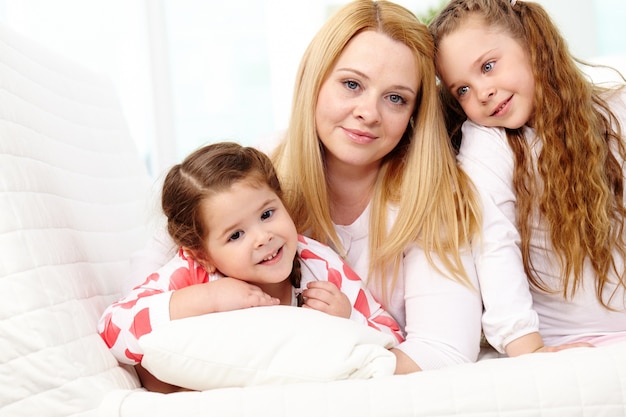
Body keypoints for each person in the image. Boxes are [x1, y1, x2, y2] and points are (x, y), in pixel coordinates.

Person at [127, 0, 489, 376]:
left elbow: (444, 352)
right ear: (314, 81)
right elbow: (144, 289)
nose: (369, 112)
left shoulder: (430, 199)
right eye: (351, 84)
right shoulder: (259, 170)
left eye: (396, 98)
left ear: (414, 114)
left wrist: (321, 360)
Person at [98, 142, 404, 393]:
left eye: (268, 213)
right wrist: (210, 298)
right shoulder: (194, 272)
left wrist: (346, 317)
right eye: (235, 235)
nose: (263, 237)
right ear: (202, 253)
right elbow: (113, 328)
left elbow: (393, 336)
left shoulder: (317, 262)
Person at [429, 0, 626, 350]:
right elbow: (493, 244)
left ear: (531, 44)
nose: (482, 93)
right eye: (463, 90)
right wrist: (527, 347)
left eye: (488, 66)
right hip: (569, 340)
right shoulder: (489, 144)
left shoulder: (616, 110)